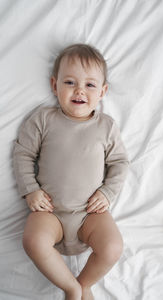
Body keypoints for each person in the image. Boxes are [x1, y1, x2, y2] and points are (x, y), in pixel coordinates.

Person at [13, 43, 129, 300]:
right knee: (33, 241)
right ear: (55, 86)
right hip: (49, 211)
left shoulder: (106, 126)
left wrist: (108, 192)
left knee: (113, 247)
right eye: (69, 82)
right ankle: (71, 288)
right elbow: (23, 154)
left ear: (103, 91)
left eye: (90, 85)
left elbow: (120, 163)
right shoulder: (43, 119)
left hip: (90, 213)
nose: (79, 90)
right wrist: (31, 191)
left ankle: (84, 284)